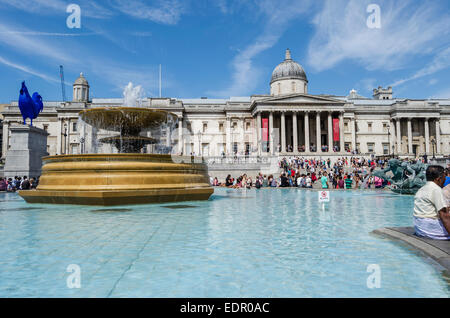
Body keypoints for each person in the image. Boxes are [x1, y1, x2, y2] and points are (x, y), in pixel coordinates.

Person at [413, 165, 450, 240]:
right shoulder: (436, 190)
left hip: (419, 228)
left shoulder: (422, 189)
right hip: (431, 229)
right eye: (444, 177)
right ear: (438, 179)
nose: (445, 179)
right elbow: (444, 215)